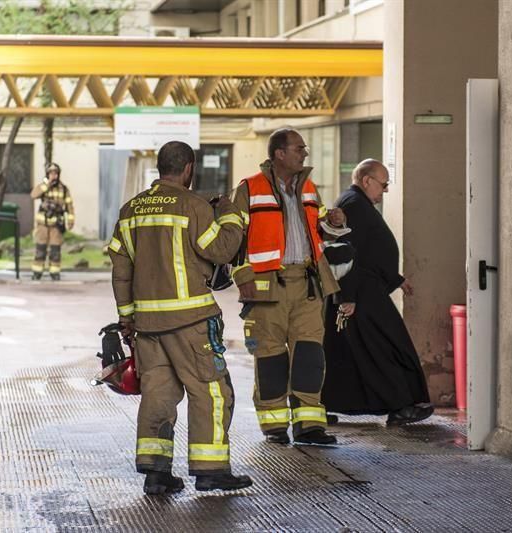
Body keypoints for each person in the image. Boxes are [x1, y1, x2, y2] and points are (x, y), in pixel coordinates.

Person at [109, 141, 253, 495]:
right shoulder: (193, 206)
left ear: (161, 167)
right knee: (212, 392)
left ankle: (156, 473)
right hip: (190, 322)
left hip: (147, 326)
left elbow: (120, 269)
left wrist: (127, 316)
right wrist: (231, 213)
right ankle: (210, 469)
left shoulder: (131, 210)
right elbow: (221, 249)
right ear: (189, 168)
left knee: (158, 393)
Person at [231, 128, 345, 445]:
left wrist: (333, 222)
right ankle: (274, 424)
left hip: (307, 284)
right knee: (270, 358)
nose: (304, 153)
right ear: (279, 153)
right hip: (266, 287)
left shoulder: (308, 187)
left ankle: (309, 424)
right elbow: (231, 241)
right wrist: (243, 278)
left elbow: (320, 228)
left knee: (310, 355)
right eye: (299, 148)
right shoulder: (248, 189)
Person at [322, 159, 434, 426]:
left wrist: (395, 279)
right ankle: (400, 405)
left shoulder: (357, 203)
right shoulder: (352, 205)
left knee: (359, 351)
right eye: (383, 184)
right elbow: (344, 253)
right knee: (385, 347)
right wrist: (346, 298)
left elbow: (369, 251)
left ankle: (332, 406)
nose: (384, 191)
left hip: (364, 290)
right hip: (358, 294)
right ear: (366, 180)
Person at [30, 162, 74, 281]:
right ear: (47, 174)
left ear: (58, 174)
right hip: (43, 224)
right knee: (40, 248)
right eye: (51, 173)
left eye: (55, 173)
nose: (53, 175)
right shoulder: (43, 186)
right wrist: (47, 184)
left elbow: (69, 206)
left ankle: (55, 273)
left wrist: (70, 221)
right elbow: (33, 195)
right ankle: (37, 272)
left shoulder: (64, 189)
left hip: (56, 224)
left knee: (55, 250)